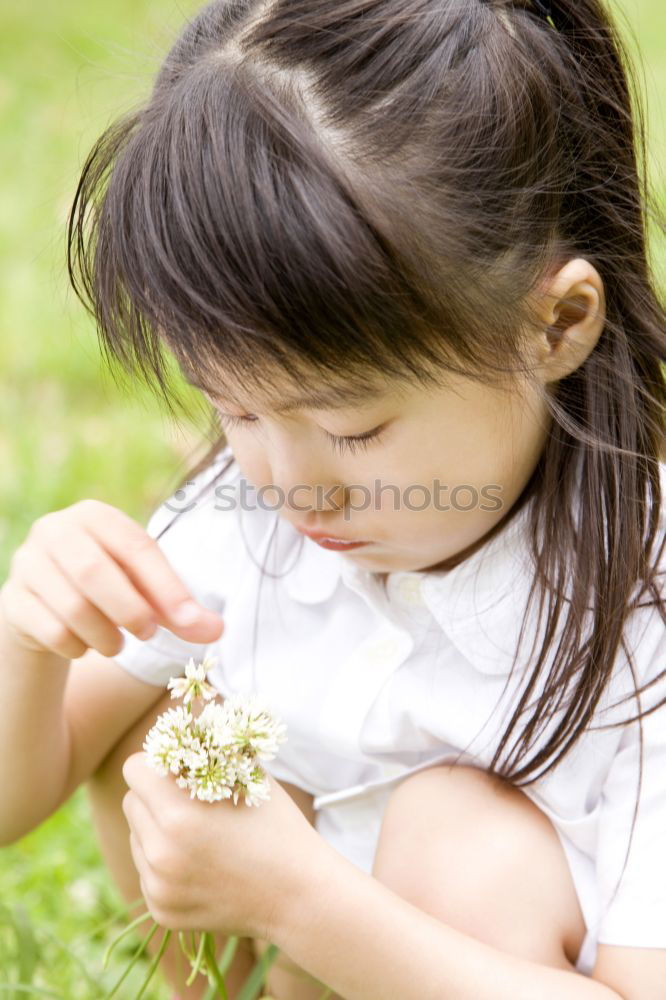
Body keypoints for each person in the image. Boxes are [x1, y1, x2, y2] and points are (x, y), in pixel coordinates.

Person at [1, 0, 665, 996]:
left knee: (460, 835)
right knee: (159, 725)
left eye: (354, 430)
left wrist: (297, 898)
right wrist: (30, 641)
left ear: (556, 325)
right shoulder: (245, 521)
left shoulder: (641, 618)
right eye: (232, 410)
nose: (287, 485)